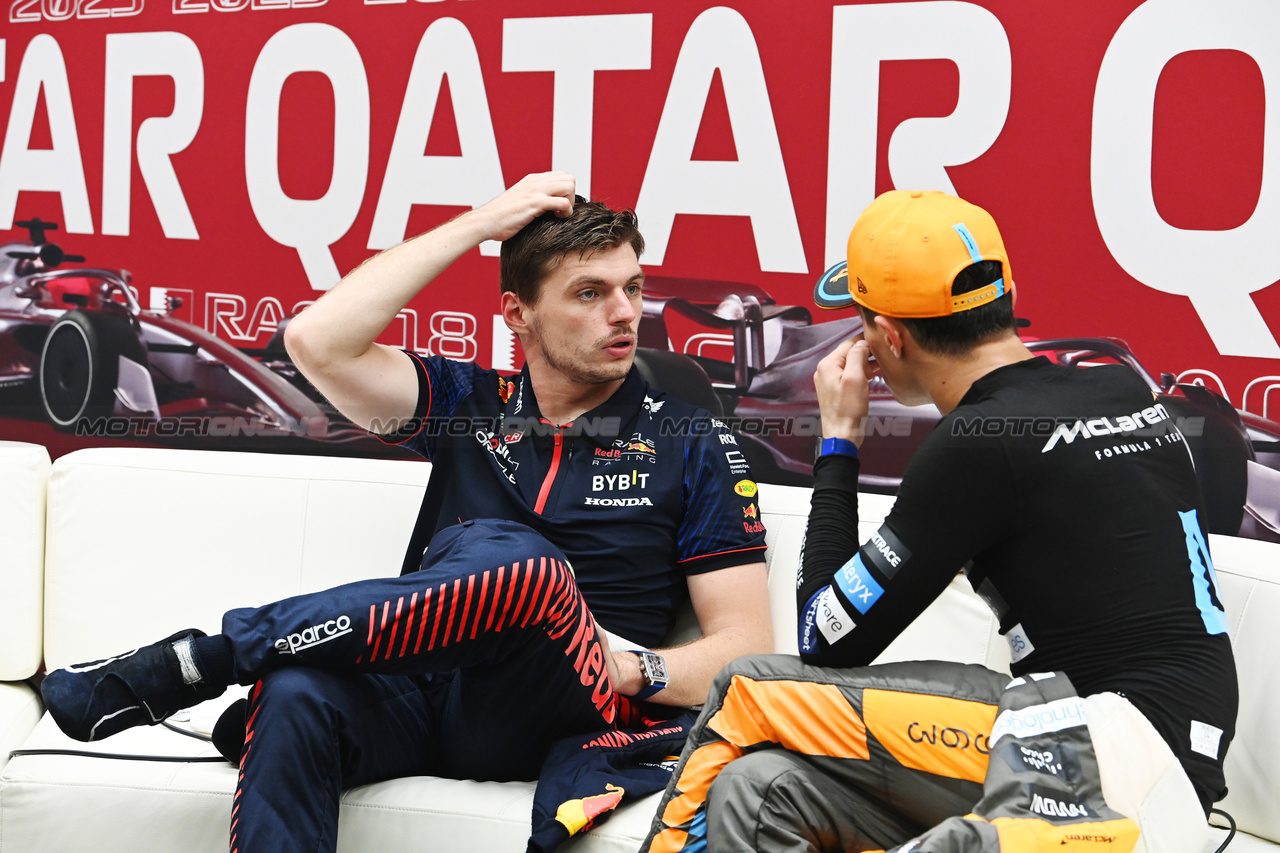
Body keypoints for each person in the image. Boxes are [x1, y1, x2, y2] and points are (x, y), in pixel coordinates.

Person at [40, 172, 772, 853]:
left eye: (632, 288)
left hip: (553, 704)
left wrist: (629, 665)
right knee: (296, 690)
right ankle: (228, 660)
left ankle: (208, 656)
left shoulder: (690, 438)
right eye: (590, 293)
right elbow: (313, 341)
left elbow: (746, 646)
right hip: (423, 693)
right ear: (517, 313)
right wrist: (480, 224)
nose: (624, 313)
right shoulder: (466, 403)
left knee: (527, 563)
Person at [642, 189, 1237, 853]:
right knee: (759, 788)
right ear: (1003, 293)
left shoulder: (980, 442)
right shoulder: (1121, 390)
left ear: (888, 337)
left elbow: (824, 636)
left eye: (863, 321)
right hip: (1157, 753)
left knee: (744, 688)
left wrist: (838, 441)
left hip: (1108, 745)